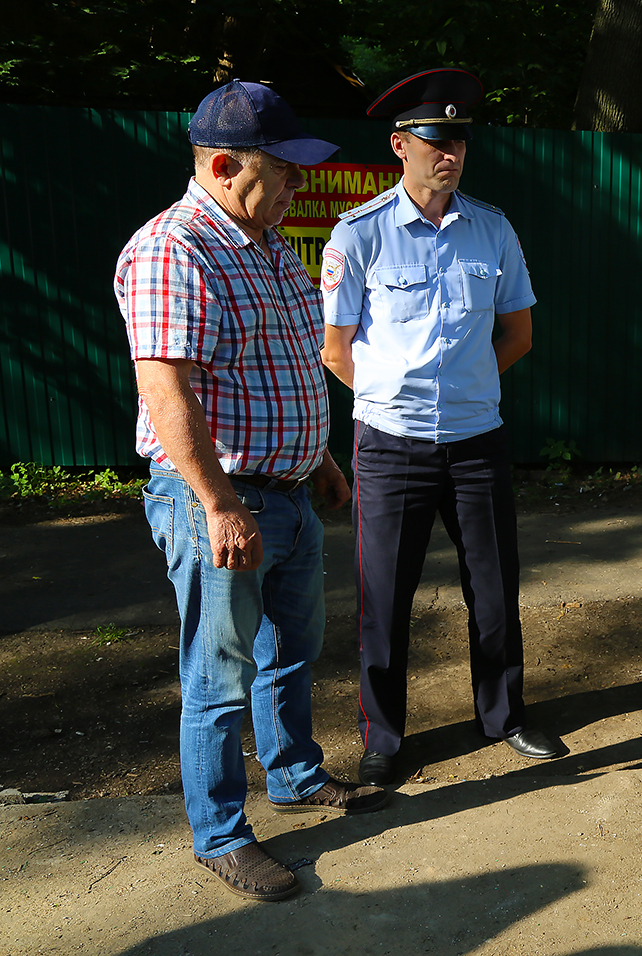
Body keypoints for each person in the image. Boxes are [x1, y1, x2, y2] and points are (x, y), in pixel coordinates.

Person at [115, 79, 386, 903]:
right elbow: (168, 391)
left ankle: (295, 775)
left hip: (289, 490)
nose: (300, 183)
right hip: (222, 499)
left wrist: (320, 459)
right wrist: (220, 504)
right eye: (285, 169)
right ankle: (221, 836)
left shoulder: (265, 244)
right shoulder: (174, 248)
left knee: (290, 651)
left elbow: (287, 366)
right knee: (219, 672)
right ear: (225, 166)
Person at [320, 68, 558, 788]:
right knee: (383, 600)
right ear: (401, 144)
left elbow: (518, 334)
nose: (450, 153)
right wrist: (397, 401)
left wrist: (464, 389)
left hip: (476, 441)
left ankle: (504, 715)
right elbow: (336, 349)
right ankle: (383, 738)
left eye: (458, 140)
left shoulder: (492, 229)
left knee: (494, 589)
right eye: (435, 140)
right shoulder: (359, 234)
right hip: (390, 447)